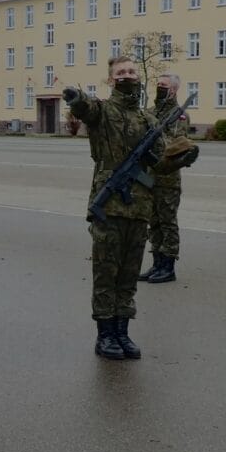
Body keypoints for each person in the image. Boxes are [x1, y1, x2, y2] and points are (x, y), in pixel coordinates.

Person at [64, 56, 158, 360]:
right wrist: (75, 98)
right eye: (120, 72)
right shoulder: (103, 111)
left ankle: (122, 332)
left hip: (140, 207)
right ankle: (104, 335)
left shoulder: (148, 119)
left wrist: (182, 156)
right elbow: (86, 109)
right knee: (106, 274)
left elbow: (163, 157)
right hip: (109, 207)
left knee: (129, 276)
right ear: (110, 79)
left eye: (131, 71)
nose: (127, 75)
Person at [141, 74, 191, 283]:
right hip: (148, 176)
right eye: (158, 84)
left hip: (168, 178)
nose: (160, 88)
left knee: (168, 222)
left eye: (164, 85)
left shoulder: (179, 115)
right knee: (154, 222)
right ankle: (157, 263)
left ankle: (168, 266)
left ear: (174, 90)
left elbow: (176, 143)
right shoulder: (150, 112)